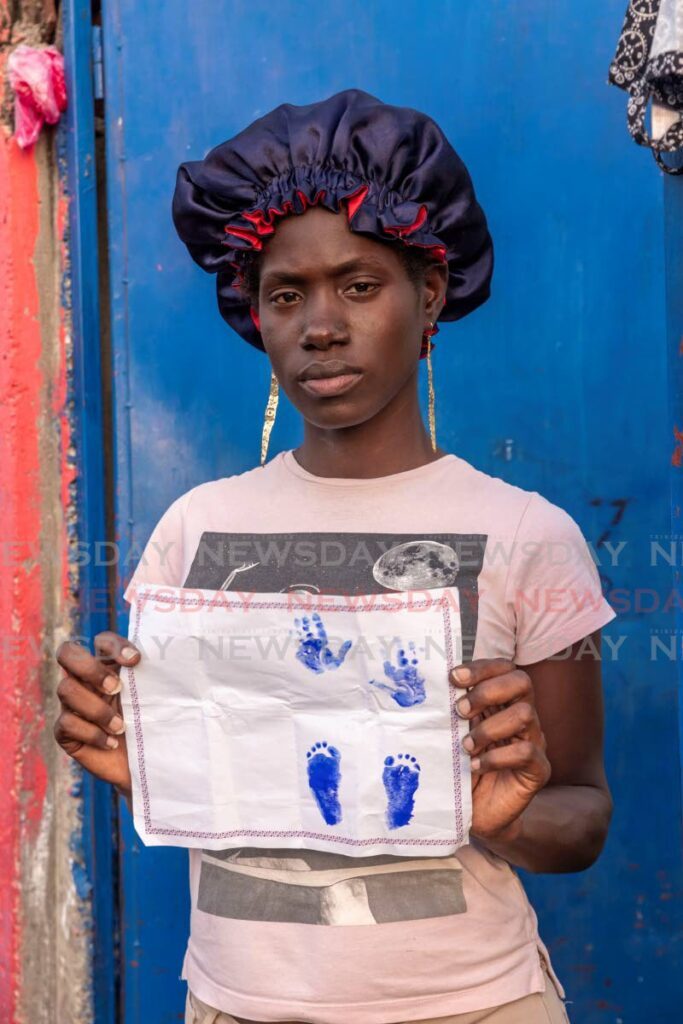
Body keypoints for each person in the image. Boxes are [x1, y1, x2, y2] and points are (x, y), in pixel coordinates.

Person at [54, 90, 617, 1024]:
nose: (321, 325)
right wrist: (142, 760)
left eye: (359, 286)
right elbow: (206, 781)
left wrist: (495, 810)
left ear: (428, 293)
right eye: (287, 294)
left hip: (470, 1005)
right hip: (237, 1005)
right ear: (257, 316)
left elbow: (582, 816)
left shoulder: (526, 535)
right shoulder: (196, 532)